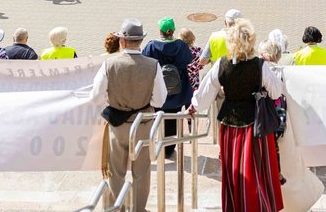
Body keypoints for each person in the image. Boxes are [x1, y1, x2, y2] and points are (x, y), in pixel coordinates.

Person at [190, 19, 284, 212]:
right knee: (256, 172)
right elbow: (276, 92)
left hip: (230, 125)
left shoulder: (221, 65)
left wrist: (193, 106)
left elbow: (203, 97)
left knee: (234, 173)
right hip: (256, 126)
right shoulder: (260, 65)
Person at [93, 18, 167, 212]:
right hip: (142, 124)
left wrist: (114, 100)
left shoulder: (109, 64)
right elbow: (159, 100)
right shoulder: (153, 65)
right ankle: (138, 209)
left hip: (117, 125)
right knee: (141, 172)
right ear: (140, 41)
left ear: (122, 41)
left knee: (115, 172)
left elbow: (96, 96)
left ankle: (117, 208)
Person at [143, 17, 195, 158]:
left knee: (158, 117)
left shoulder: (152, 46)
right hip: (177, 92)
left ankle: (158, 142)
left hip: (158, 90)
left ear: (160, 31)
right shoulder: (181, 45)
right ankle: (169, 148)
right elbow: (189, 60)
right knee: (173, 119)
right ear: (173, 30)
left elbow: (144, 61)